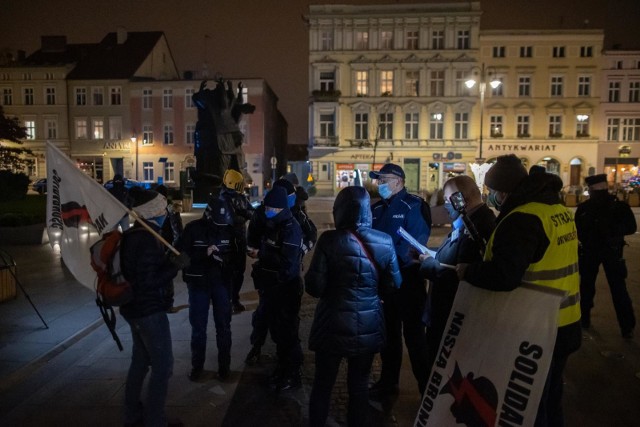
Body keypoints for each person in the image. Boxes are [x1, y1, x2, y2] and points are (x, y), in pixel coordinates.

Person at [456, 154, 581, 427]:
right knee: (550, 399)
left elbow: (504, 275)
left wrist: (469, 271)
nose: (491, 196)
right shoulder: (555, 209)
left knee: (532, 406)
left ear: (503, 191)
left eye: (492, 191)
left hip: (537, 329)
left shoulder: (522, 218)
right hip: (566, 320)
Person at [306, 186, 402, 427]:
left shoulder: (329, 240)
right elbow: (394, 283)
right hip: (368, 326)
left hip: (331, 323)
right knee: (359, 387)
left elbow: (314, 287)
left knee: (323, 385)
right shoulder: (385, 241)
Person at [119, 188, 189, 427]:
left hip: (134, 310)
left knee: (140, 362)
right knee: (163, 366)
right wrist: (175, 267)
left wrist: (167, 263)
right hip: (149, 311)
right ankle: (154, 420)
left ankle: (132, 415)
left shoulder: (134, 235)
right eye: (161, 208)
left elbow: (143, 273)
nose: (165, 211)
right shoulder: (146, 239)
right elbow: (148, 282)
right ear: (152, 212)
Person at [418, 175, 496, 375]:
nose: (445, 205)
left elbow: (457, 275)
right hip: (446, 315)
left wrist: (428, 264)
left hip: (451, 318)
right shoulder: (469, 222)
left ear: (461, 199)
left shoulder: (475, 227)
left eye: (448, 199)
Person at [368, 163, 431, 396]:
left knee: (415, 339)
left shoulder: (413, 206)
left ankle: (426, 388)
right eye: (378, 180)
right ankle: (388, 382)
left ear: (399, 181)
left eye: (384, 180)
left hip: (408, 282)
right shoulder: (376, 210)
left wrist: (388, 264)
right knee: (389, 337)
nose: (380, 184)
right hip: (384, 285)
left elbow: (413, 245)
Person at [245, 178, 315, 363]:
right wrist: (257, 250)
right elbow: (252, 236)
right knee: (263, 315)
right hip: (267, 272)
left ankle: (289, 363)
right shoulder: (263, 212)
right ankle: (257, 346)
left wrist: (300, 252)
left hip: (287, 274)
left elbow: (311, 235)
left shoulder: (296, 217)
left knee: (287, 321)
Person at [249, 186, 304, 390]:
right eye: (267, 206)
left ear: (281, 208)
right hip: (272, 287)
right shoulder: (273, 223)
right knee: (278, 333)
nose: (268, 210)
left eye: (272, 207)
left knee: (288, 334)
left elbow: (288, 262)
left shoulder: (290, 228)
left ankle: (292, 374)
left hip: (286, 288)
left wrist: (262, 254)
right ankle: (282, 369)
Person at [176, 195, 236, 381]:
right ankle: (197, 367)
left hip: (221, 284)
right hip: (198, 284)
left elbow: (236, 258)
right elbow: (180, 257)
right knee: (199, 328)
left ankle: (224, 368)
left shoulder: (229, 230)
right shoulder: (192, 229)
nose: (221, 227)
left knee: (223, 327)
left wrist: (225, 260)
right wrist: (203, 253)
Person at [575, 173, 637, 338]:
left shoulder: (585, 208)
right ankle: (627, 326)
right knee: (618, 289)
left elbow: (577, 231)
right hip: (611, 252)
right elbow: (631, 227)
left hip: (593, 252)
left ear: (591, 189)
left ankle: (584, 319)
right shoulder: (619, 206)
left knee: (587, 287)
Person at [219, 169, 255, 313]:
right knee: (237, 272)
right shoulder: (240, 199)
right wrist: (242, 217)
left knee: (224, 272)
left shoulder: (218, 198)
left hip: (221, 243)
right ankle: (233, 301)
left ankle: (223, 300)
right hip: (237, 241)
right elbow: (252, 214)